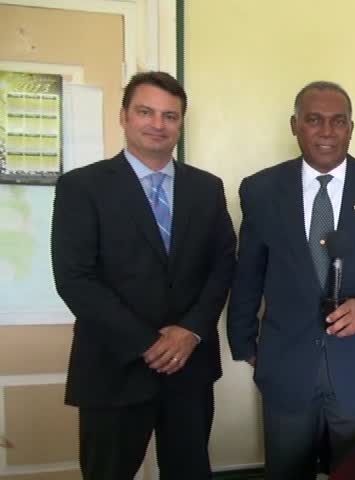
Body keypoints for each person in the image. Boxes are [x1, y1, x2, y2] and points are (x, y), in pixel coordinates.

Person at [227, 81, 355, 479]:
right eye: (314, 120)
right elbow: (248, 271)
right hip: (286, 366)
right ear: (294, 125)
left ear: (352, 128)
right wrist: (244, 342)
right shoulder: (261, 190)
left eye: (338, 121)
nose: (327, 131)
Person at [51, 71, 237, 479]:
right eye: (145, 112)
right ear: (123, 117)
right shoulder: (82, 187)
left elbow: (224, 264)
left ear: (181, 123)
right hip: (114, 368)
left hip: (190, 368)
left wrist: (189, 331)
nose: (158, 124)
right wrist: (148, 342)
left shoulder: (206, 188)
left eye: (170, 116)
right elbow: (74, 278)